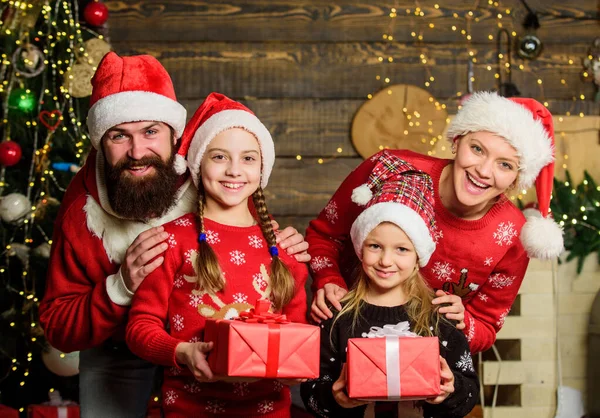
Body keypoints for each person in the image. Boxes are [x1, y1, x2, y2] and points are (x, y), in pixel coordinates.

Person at [39, 54, 308, 418]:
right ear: (101, 142)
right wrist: (118, 287)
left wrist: (277, 243)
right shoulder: (80, 213)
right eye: (119, 135)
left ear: (175, 134)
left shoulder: (210, 166)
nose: (137, 152)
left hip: (221, 356)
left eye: (151, 132)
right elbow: (58, 328)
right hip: (120, 344)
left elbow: (245, 215)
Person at [307, 92, 564, 354]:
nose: (484, 171)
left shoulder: (513, 236)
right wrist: (329, 280)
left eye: (505, 165)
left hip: (421, 367)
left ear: (516, 179)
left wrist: (464, 322)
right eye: (477, 149)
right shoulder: (392, 169)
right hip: (342, 340)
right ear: (457, 140)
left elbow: (486, 328)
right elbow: (323, 236)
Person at [126, 92, 309, 418]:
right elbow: (140, 328)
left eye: (248, 158)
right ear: (198, 164)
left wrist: (295, 367)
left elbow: (297, 335)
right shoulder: (170, 241)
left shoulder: (284, 251)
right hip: (189, 409)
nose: (235, 171)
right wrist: (182, 351)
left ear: (263, 168)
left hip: (268, 411)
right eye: (220, 157)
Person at [300, 155, 479, 417]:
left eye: (402, 249)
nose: (386, 261)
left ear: (418, 258)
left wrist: (451, 389)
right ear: (360, 248)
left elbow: (470, 393)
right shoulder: (337, 316)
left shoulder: (441, 316)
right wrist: (335, 398)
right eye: (375, 246)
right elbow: (311, 391)